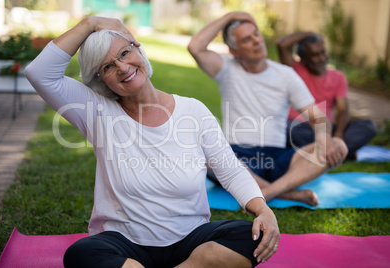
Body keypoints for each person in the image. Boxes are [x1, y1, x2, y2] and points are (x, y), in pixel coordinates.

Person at [25, 16, 280, 267]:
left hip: (191, 238)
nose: (123, 68)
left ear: (138, 49)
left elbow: (230, 170)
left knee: (251, 237)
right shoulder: (96, 110)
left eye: (124, 54)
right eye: (108, 67)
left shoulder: (193, 111)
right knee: (81, 254)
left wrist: (263, 210)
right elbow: (40, 73)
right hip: (125, 243)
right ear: (100, 79)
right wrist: (90, 23)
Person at [188, 11, 348, 207]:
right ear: (234, 51)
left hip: (276, 160)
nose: (256, 41)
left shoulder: (286, 74)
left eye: (256, 34)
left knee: (338, 144)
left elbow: (318, 117)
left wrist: (325, 142)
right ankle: (287, 194)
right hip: (235, 158)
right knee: (201, 149)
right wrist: (231, 16)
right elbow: (195, 47)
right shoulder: (226, 68)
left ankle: (268, 192)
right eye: (246, 39)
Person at [276, 32, 376, 160]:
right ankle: (340, 152)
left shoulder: (338, 77)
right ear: (303, 59)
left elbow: (343, 109)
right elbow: (282, 44)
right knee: (291, 131)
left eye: (323, 52)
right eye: (315, 55)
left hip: (328, 131)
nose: (322, 58)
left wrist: (338, 135)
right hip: (302, 128)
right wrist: (310, 33)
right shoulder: (294, 70)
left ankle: (329, 151)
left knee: (367, 126)